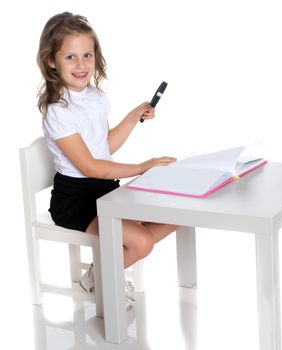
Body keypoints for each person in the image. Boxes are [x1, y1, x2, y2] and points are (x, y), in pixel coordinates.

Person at [37, 12, 178, 306]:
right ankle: (101, 275)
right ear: (52, 61)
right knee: (143, 241)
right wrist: (141, 167)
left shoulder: (95, 98)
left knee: (177, 214)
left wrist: (131, 117)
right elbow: (88, 166)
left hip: (104, 189)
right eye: (70, 57)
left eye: (87, 55)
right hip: (76, 199)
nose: (82, 64)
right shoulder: (57, 110)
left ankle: (106, 266)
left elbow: (104, 147)